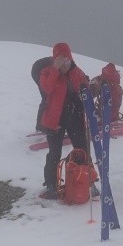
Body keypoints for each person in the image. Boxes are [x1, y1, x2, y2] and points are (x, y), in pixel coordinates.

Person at [34, 42, 88, 199]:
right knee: (54, 153)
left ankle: (85, 181)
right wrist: (55, 70)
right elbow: (46, 88)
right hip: (54, 119)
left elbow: (84, 88)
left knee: (81, 149)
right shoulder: (47, 72)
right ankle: (51, 185)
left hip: (74, 118)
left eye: (67, 60)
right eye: (61, 60)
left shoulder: (76, 72)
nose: (65, 64)